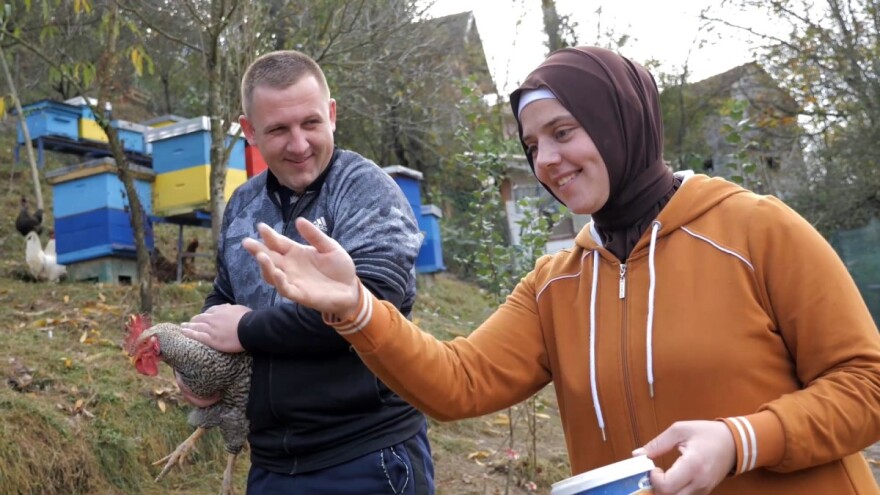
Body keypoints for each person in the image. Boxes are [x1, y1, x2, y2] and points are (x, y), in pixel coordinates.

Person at [239, 46, 880, 495]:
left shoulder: (755, 230)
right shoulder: (557, 283)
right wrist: (355, 307)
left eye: (564, 131)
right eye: (532, 144)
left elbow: (867, 384)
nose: (547, 159)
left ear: (620, 121)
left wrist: (742, 440)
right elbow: (457, 384)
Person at [178, 50, 434, 494]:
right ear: (250, 131)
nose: (298, 144)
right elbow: (223, 299)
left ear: (332, 114)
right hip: (273, 462)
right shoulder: (242, 205)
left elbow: (371, 306)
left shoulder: (366, 190)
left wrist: (248, 330)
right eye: (278, 129)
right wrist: (196, 359)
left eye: (310, 123)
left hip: (367, 453)